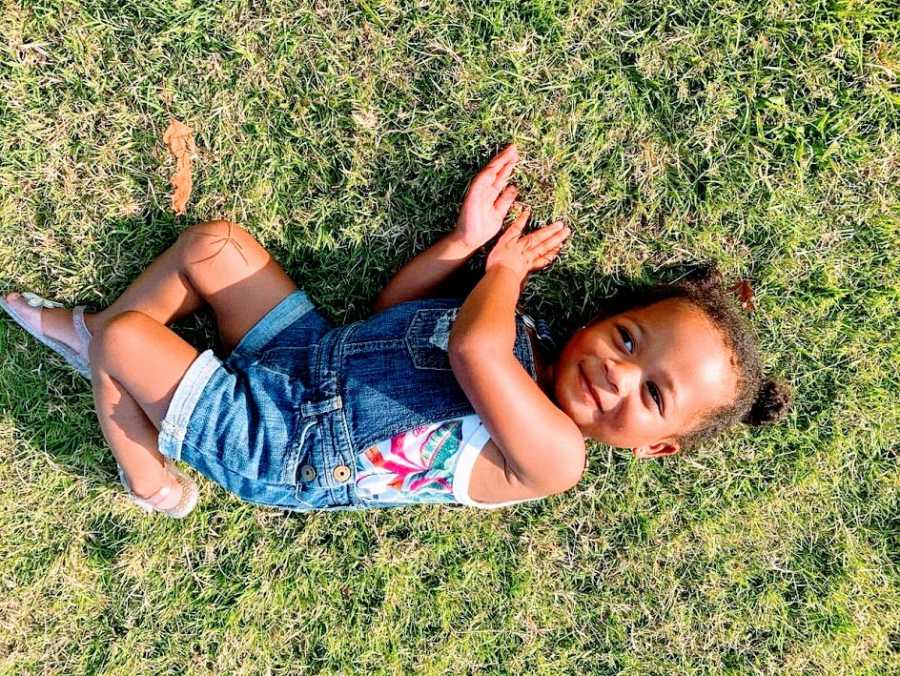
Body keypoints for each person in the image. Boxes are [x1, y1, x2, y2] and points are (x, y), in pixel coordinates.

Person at [0, 145, 789, 517]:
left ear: (659, 445)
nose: (618, 373)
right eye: (627, 339)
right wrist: (461, 249)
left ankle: (151, 480)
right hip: (311, 357)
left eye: (651, 393)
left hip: (292, 450)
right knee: (214, 246)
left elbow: (471, 347)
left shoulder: (556, 455)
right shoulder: (530, 335)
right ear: (602, 318)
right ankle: (109, 353)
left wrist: (503, 272)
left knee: (127, 340)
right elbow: (392, 317)